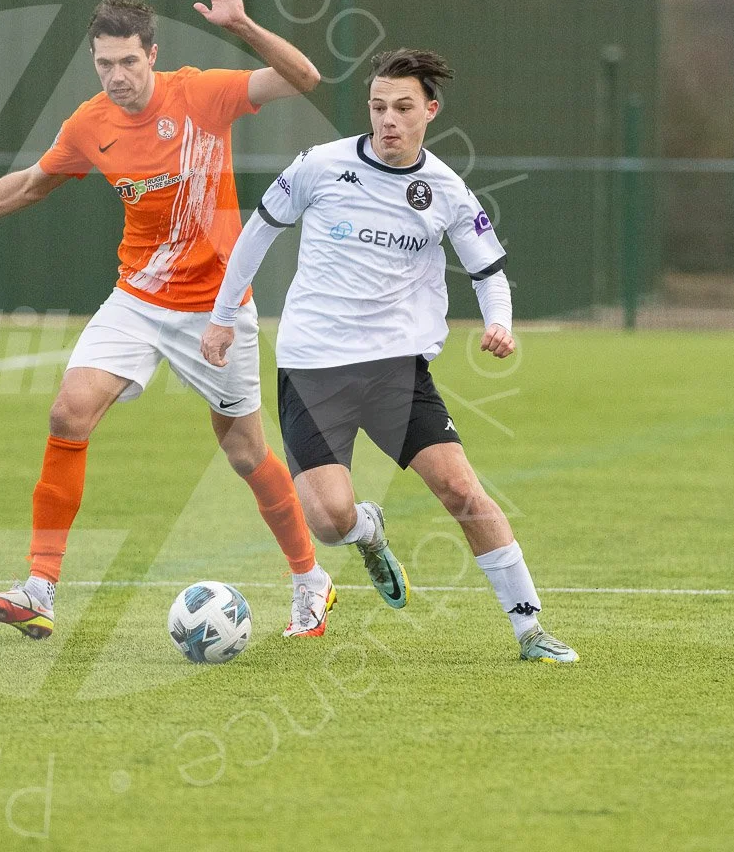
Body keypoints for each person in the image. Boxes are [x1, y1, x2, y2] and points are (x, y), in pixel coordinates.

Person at [0, 0, 339, 639]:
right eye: (103, 64)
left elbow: (304, 79)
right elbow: (29, 184)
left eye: (127, 61)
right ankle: (38, 588)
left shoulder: (202, 95)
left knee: (244, 455)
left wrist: (240, 26)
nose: (116, 76)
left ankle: (310, 581)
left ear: (154, 54)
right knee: (69, 412)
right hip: (136, 299)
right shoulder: (90, 124)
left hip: (217, 306)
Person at [199, 48, 578, 663]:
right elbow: (258, 231)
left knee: (461, 491)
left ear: (430, 111)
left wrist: (499, 325)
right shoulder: (319, 166)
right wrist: (220, 319)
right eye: (378, 107)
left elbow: (490, 271)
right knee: (327, 520)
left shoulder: (446, 190)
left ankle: (531, 629)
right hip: (313, 368)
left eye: (403, 108)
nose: (388, 120)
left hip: (394, 371)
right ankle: (366, 532)